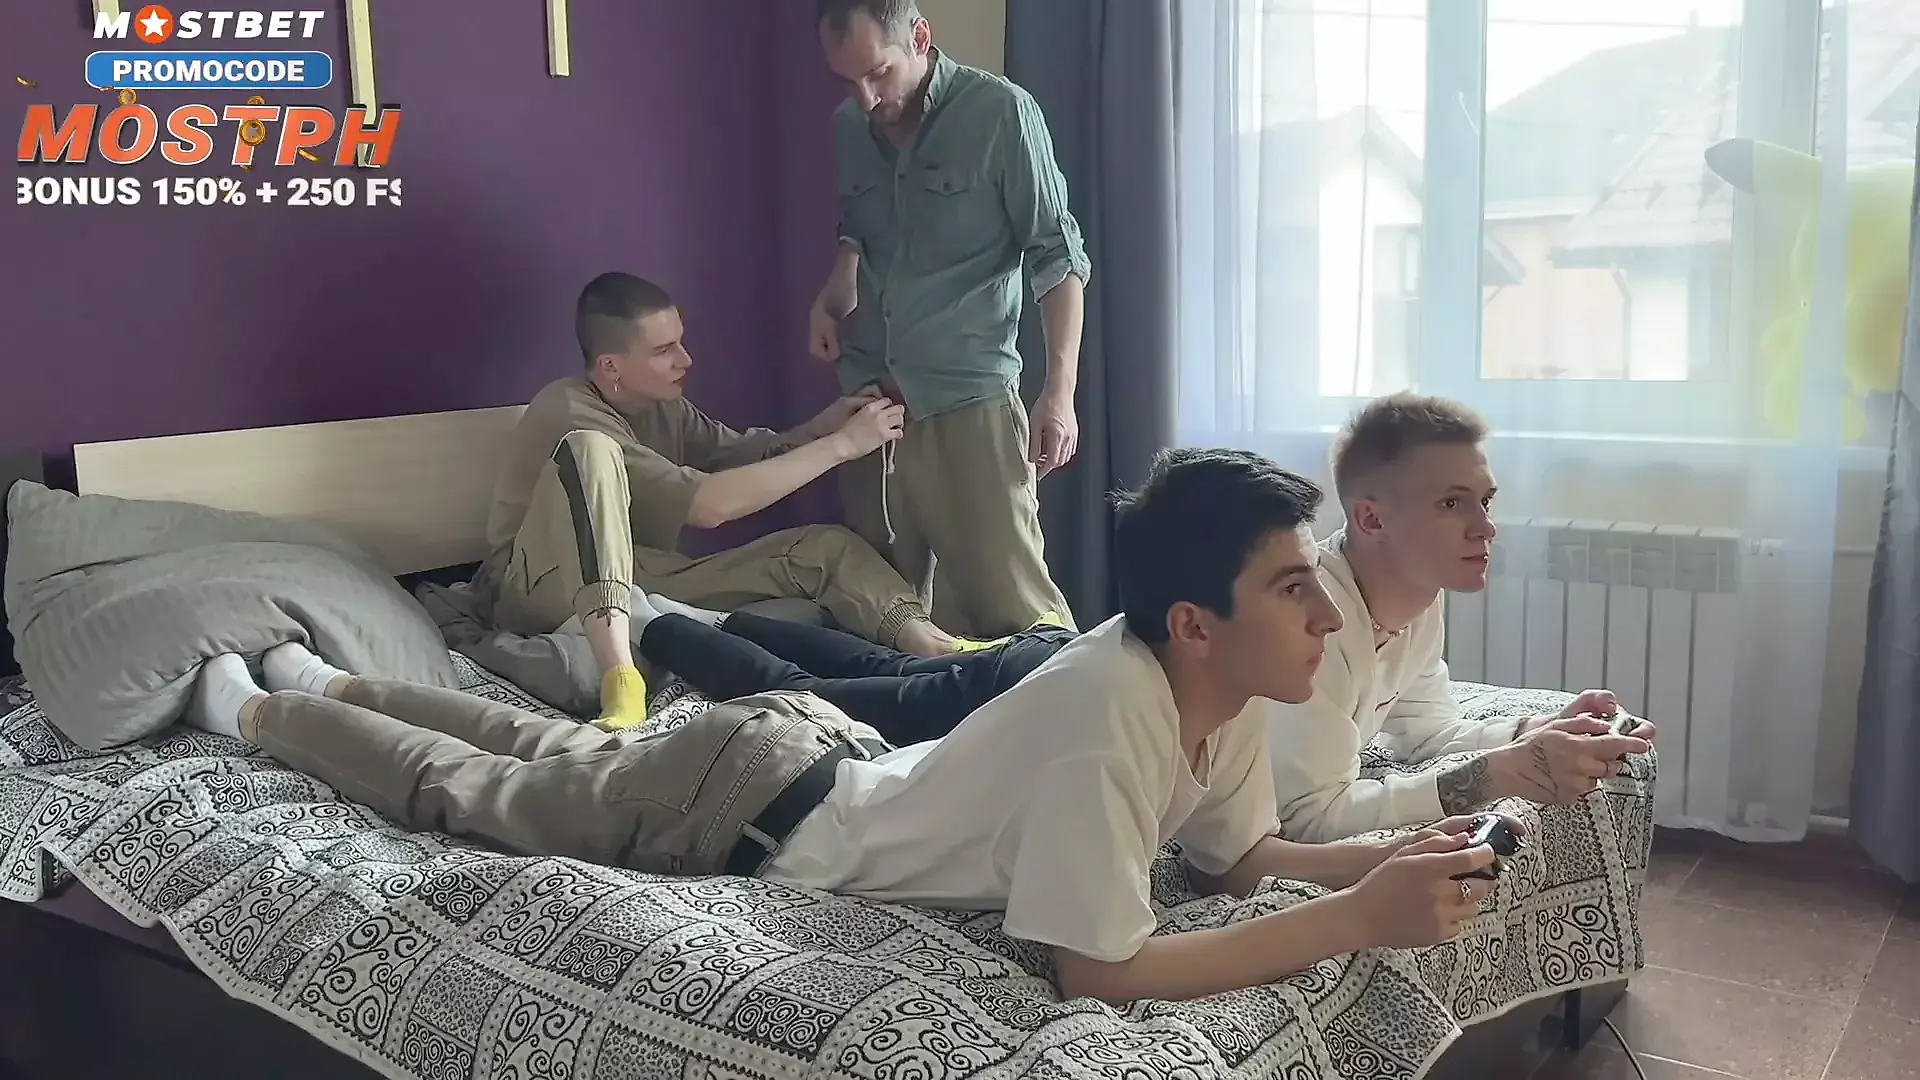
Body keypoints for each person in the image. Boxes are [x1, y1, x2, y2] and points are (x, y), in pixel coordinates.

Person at [182, 448, 1516, 1005]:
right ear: (1194, 621)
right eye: (1293, 589)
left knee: (551, 752)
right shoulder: (1118, 711)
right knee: (481, 794)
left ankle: (329, 682)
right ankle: (259, 704)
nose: (1328, 614)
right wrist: (1357, 918)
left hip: (802, 752)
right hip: (756, 805)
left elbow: (1234, 865)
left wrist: (1385, 863)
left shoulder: (1209, 696)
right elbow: (1097, 972)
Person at [470, 271, 992, 733]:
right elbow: (708, 506)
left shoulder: (663, 407)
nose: (685, 359)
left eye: (681, 341)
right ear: (611, 366)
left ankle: (932, 646)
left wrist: (823, 426)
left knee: (823, 548)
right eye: (664, 350)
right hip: (535, 584)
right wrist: (843, 446)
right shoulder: (567, 408)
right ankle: (619, 677)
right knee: (591, 449)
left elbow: (742, 454)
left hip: (640, 573)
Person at [1264, 393, 1658, 842]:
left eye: (1485, 501)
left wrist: (1535, 731)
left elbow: (1425, 731)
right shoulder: (1311, 623)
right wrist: (1495, 774)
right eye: (1451, 504)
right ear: (1372, 519)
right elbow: (1307, 819)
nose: (1486, 528)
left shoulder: (1418, 596)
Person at [809, 0, 1085, 638]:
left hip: (968, 400)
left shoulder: (1001, 113)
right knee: (884, 618)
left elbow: (1058, 254)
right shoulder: (849, 126)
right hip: (870, 405)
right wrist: (833, 291)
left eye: (878, 73)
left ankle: (1077, 704)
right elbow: (860, 227)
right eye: (847, 80)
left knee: (1018, 615)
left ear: (920, 37)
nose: (865, 97)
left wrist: (1060, 393)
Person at [622, 590, 1075, 744]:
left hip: (1055, 651)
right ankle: (652, 627)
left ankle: (709, 621)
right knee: (809, 696)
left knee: (887, 666)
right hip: (1036, 689)